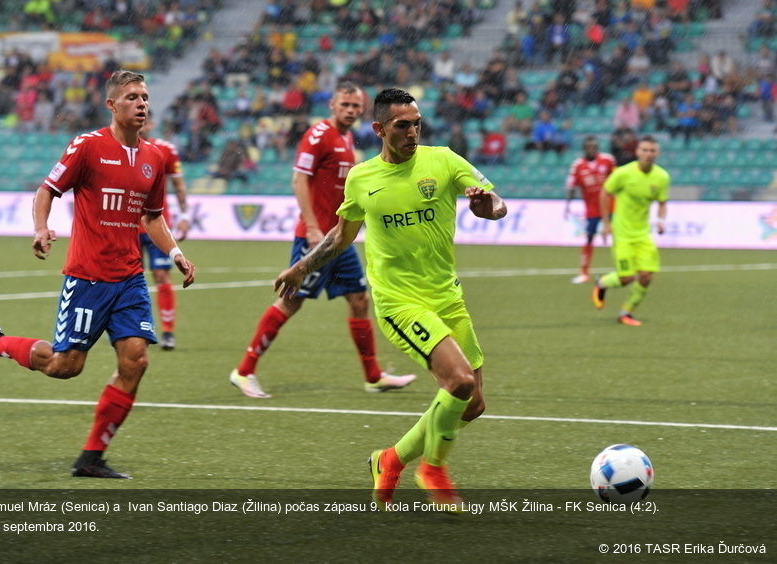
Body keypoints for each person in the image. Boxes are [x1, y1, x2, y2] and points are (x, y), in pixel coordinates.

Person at [0, 70, 197, 479]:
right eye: (133, 97)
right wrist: (41, 227)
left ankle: (91, 457)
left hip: (130, 279)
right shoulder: (88, 147)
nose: (142, 103)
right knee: (66, 365)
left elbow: (151, 217)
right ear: (112, 105)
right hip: (87, 278)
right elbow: (47, 189)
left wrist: (175, 252)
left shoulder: (153, 157)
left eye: (144, 97)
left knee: (135, 361)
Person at [275, 88, 507, 511]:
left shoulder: (444, 160)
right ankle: (432, 469)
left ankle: (391, 459)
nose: (413, 132)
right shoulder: (363, 178)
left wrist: (485, 206)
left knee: (472, 404)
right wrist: (302, 267)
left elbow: (496, 203)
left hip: (447, 297)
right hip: (400, 301)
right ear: (379, 129)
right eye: (403, 125)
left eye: (417, 123)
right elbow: (341, 235)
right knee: (458, 382)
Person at [229, 82, 416, 398]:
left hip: (338, 238)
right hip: (316, 238)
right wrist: (313, 228)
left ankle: (374, 376)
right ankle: (244, 371)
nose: (351, 110)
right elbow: (299, 179)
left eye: (356, 106)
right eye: (345, 104)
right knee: (291, 301)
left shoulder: (346, 140)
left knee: (359, 299)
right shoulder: (318, 136)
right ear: (332, 104)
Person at [592, 135, 668, 326]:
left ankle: (626, 312)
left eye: (652, 150)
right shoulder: (623, 173)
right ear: (637, 152)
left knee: (646, 276)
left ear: (658, 153)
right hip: (622, 232)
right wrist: (606, 224)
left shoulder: (662, 177)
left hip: (643, 233)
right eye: (644, 150)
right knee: (626, 278)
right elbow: (605, 193)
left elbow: (662, 202)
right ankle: (602, 283)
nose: (648, 154)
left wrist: (660, 220)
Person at [140, 118, 190, 350]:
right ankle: (135, 329)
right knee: (126, 279)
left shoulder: (165, 150)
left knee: (161, 276)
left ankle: (168, 332)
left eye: (147, 121)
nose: (142, 125)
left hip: (156, 223)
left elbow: (179, 185)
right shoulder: (115, 148)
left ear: (150, 125)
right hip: (124, 225)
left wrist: (185, 216)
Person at [564, 136, 617, 284]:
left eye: (595, 147)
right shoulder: (578, 165)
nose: (592, 149)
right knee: (589, 238)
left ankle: (623, 268)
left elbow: (618, 179)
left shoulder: (608, 160)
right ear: (584, 148)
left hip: (611, 206)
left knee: (618, 237)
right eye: (589, 147)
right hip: (592, 209)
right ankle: (584, 272)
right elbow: (571, 186)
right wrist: (568, 205)